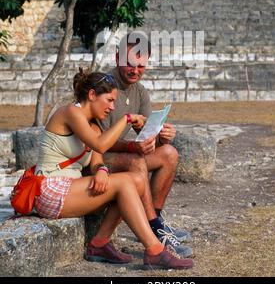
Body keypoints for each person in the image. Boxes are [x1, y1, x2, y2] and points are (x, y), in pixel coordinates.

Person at [33, 69, 193, 270]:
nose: (112, 107)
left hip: (71, 188)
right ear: (92, 95)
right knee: (127, 181)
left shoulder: (94, 127)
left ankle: (99, 243)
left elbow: (97, 160)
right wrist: (126, 119)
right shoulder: (69, 112)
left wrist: (101, 170)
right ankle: (155, 250)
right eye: (109, 100)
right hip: (49, 190)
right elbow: (100, 145)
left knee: (134, 179)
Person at [97, 33, 192, 258]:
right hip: (98, 159)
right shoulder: (103, 86)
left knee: (169, 153)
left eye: (141, 66)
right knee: (136, 160)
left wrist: (163, 138)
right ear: (118, 57)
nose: (135, 70)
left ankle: (156, 218)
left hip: (121, 156)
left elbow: (149, 136)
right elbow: (98, 143)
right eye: (130, 63)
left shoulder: (139, 91)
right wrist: (133, 148)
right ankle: (154, 228)